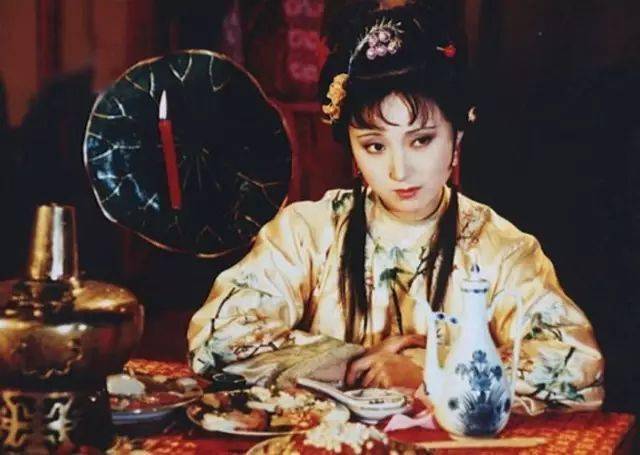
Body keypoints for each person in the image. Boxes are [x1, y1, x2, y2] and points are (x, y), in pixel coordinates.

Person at [187, 1, 604, 415]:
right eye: (374, 146)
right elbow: (216, 338)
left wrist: (428, 369)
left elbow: (577, 365)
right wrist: (361, 363)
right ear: (352, 151)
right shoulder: (307, 234)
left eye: (421, 140)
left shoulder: (501, 250)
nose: (399, 170)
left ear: (456, 138)